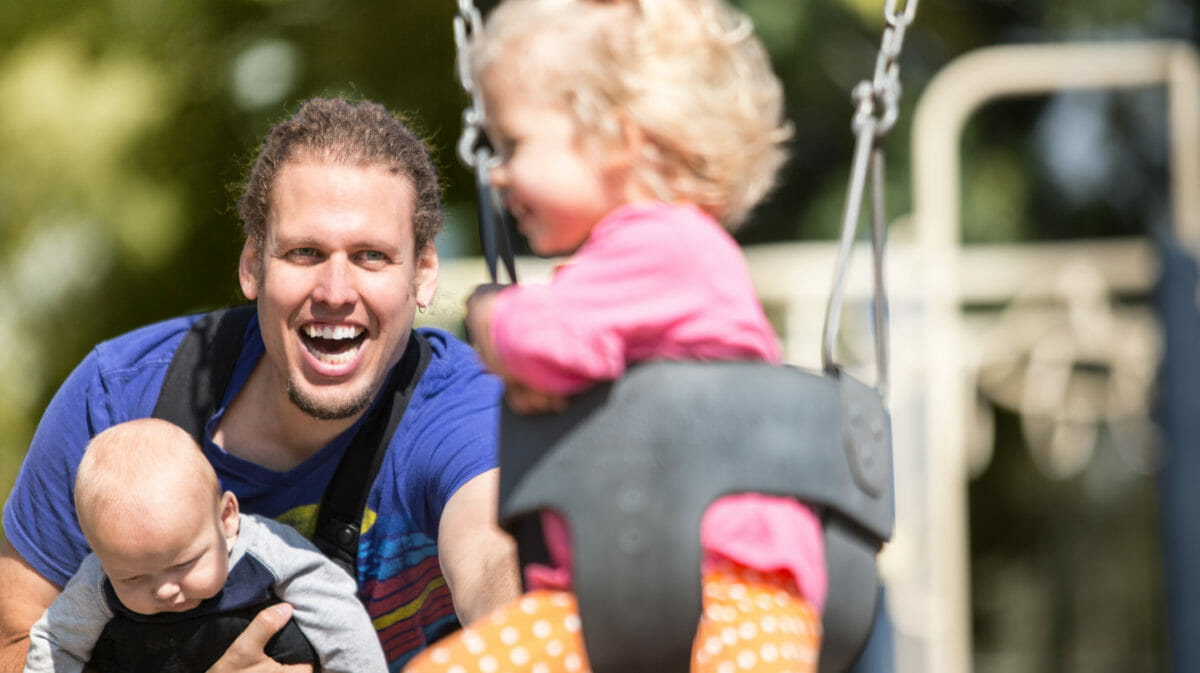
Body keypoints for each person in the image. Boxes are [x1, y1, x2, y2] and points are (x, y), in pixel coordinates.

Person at [1, 97, 520, 673]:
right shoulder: (116, 401)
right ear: (253, 266)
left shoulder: (459, 410)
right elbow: (14, 642)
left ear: (422, 274)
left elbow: (495, 561)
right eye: (305, 252)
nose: (335, 291)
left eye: (372, 256)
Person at [404, 1, 827, 672]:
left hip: (725, 595)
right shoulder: (644, 257)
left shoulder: (660, 241)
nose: (497, 172)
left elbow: (552, 339)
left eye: (515, 144)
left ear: (619, 139)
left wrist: (491, 315)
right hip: (656, 594)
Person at [24, 418, 388, 673]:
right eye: (133, 579)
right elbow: (56, 641)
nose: (165, 589)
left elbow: (337, 612)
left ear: (227, 518)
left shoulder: (267, 550)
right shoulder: (98, 581)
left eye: (184, 563)